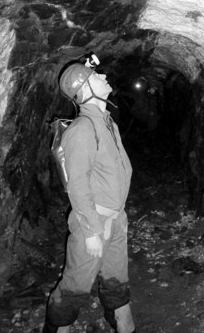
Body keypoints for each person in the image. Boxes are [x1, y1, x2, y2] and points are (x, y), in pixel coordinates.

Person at [43, 60, 136, 333]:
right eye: (96, 75)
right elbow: (78, 184)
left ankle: (123, 323)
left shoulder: (108, 124)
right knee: (74, 287)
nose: (104, 75)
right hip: (92, 224)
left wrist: (118, 218)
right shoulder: (82, 130)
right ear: (83, 88)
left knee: (117, 281)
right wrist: (93, 230)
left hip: (116, 220)